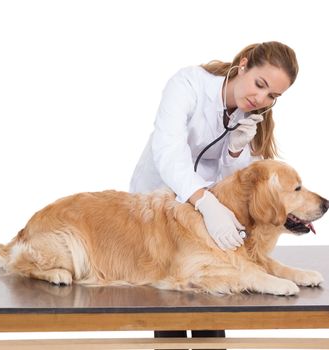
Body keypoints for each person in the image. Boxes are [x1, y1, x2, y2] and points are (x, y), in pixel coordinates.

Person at [129, 41, 299, 341]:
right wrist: (204, 201)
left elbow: (239, 192)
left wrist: (234, 153)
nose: (260, 98)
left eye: (272, 96)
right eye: (259, 84)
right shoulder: (188, 84)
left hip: (211, 216)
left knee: (215, 292)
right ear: (243, 65)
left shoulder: (252, 122)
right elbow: (169, 153)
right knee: (172, 297)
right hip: (157, 207)